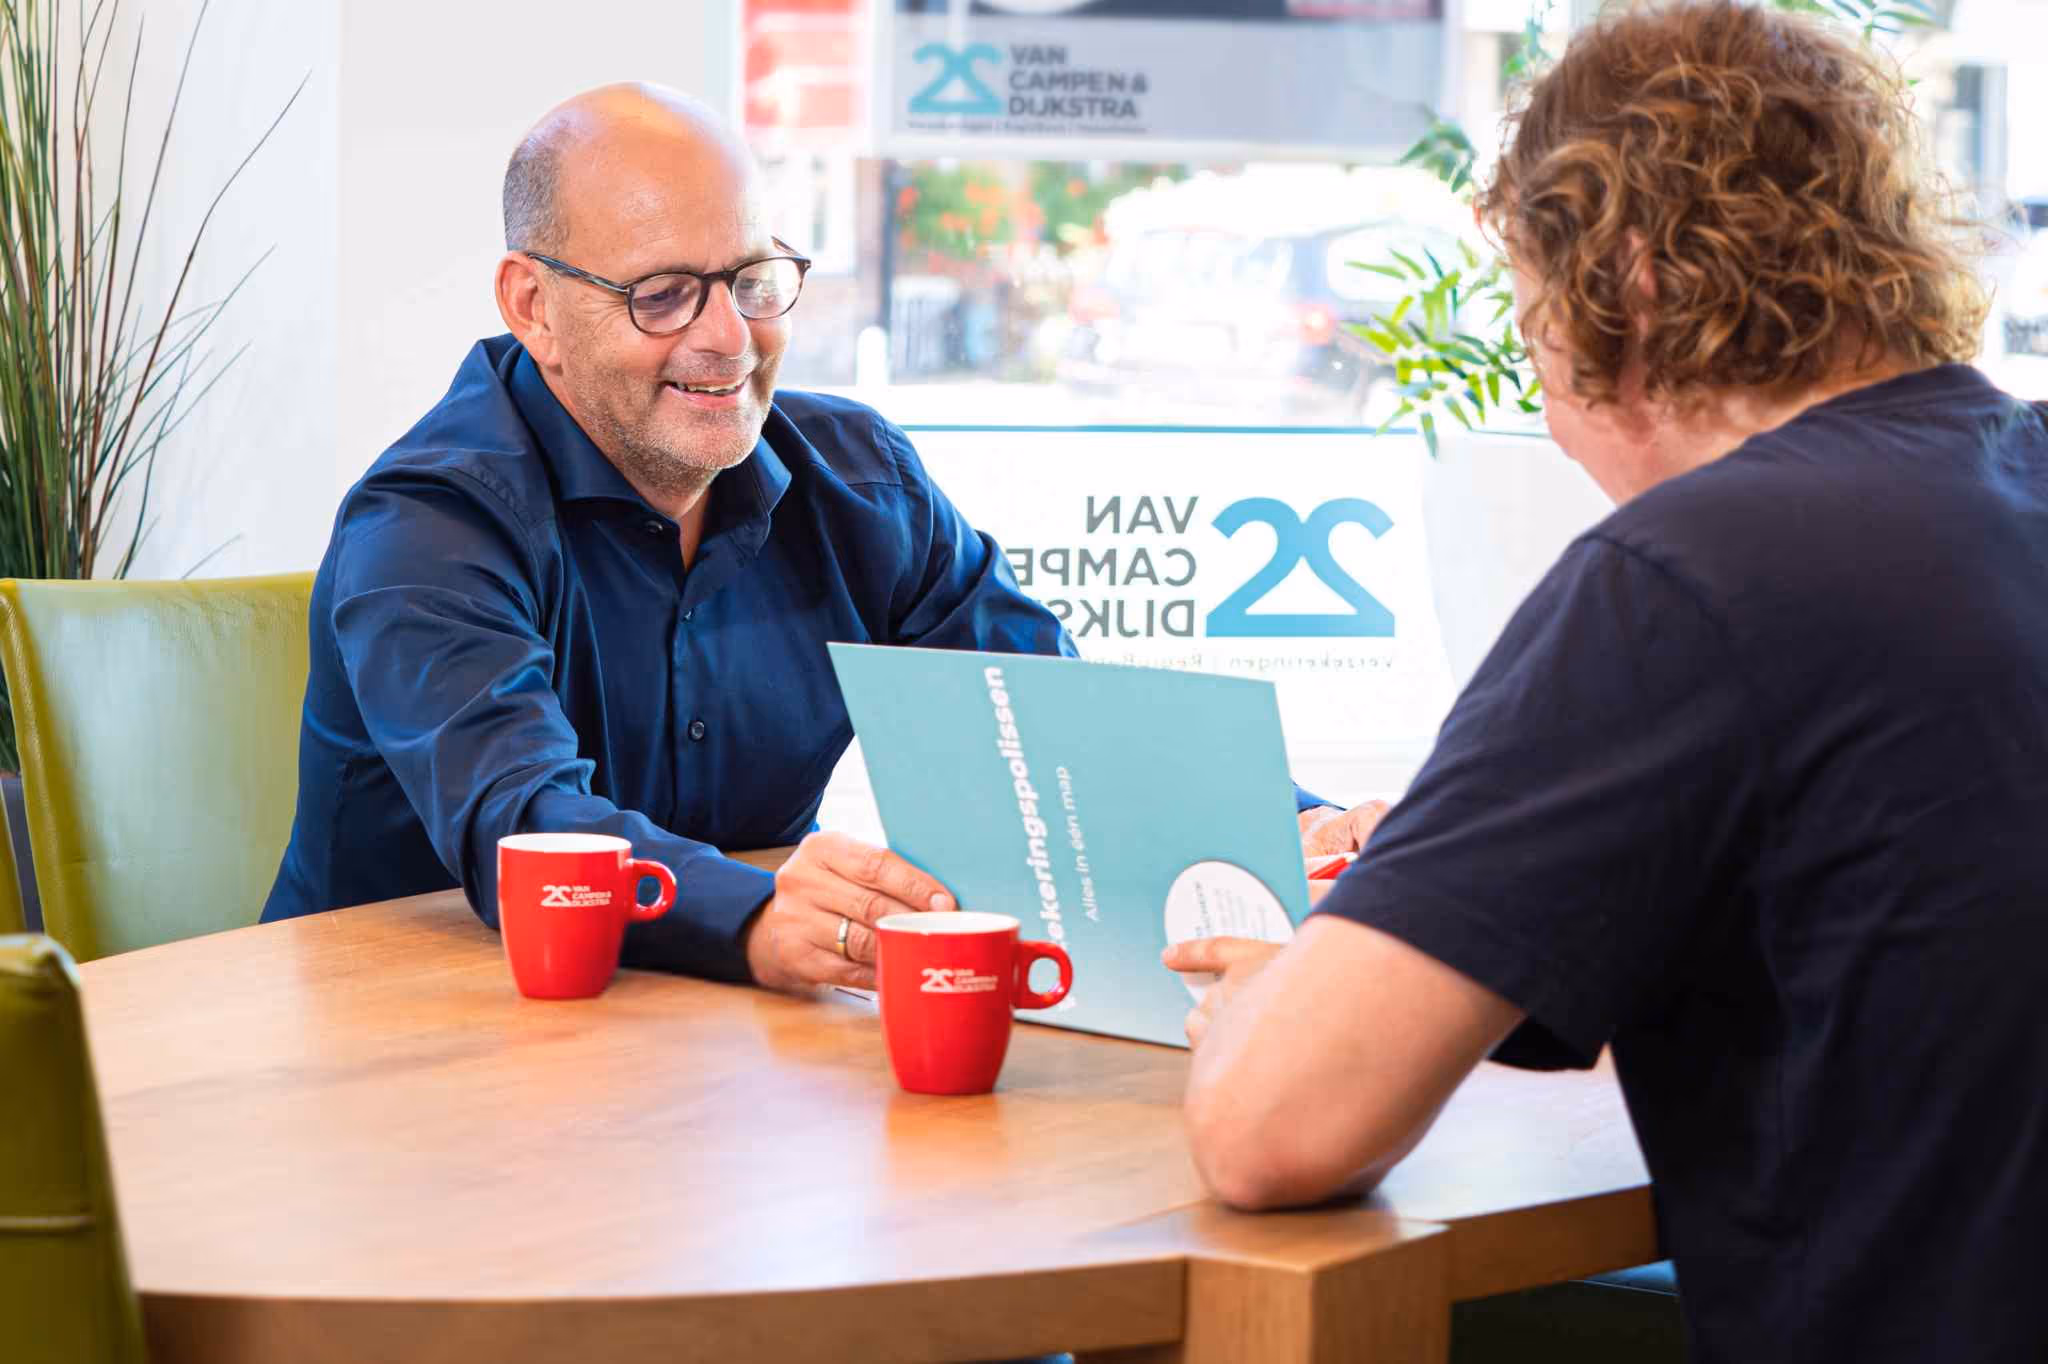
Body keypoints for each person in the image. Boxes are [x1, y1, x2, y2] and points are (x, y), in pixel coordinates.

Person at [1165, 5, 2048, 1362]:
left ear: (1625, 282)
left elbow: (1275, 1132)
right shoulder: (2012, 477)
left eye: (1529, 338)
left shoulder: (1693, 572)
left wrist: (1274, 991)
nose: (1553, 421)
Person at [263, 84, 1354, 991]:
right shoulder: (427, 523)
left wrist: (1294, 830)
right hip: (407, 1050)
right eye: (663, 295)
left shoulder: (857, 480)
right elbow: (529, 831)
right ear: (533, 307)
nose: (729, 336)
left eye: (750, 279)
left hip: (698, 1052)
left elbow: (1054, 721)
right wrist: (754, 918)